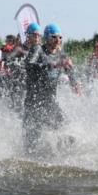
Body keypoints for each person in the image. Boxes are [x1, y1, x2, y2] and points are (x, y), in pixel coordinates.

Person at [21, 22, 83, 153]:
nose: (58, 40)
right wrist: (52, 65)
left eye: (60, 37)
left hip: (50, 101)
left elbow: (69, 68)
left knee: (65, 128)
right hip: (33, 102)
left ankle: (57, 154)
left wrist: (74, 82)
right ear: (47, 38)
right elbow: (28, 65)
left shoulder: (61, 53)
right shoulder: (38, 49)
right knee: (30, 144)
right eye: (54, 37)